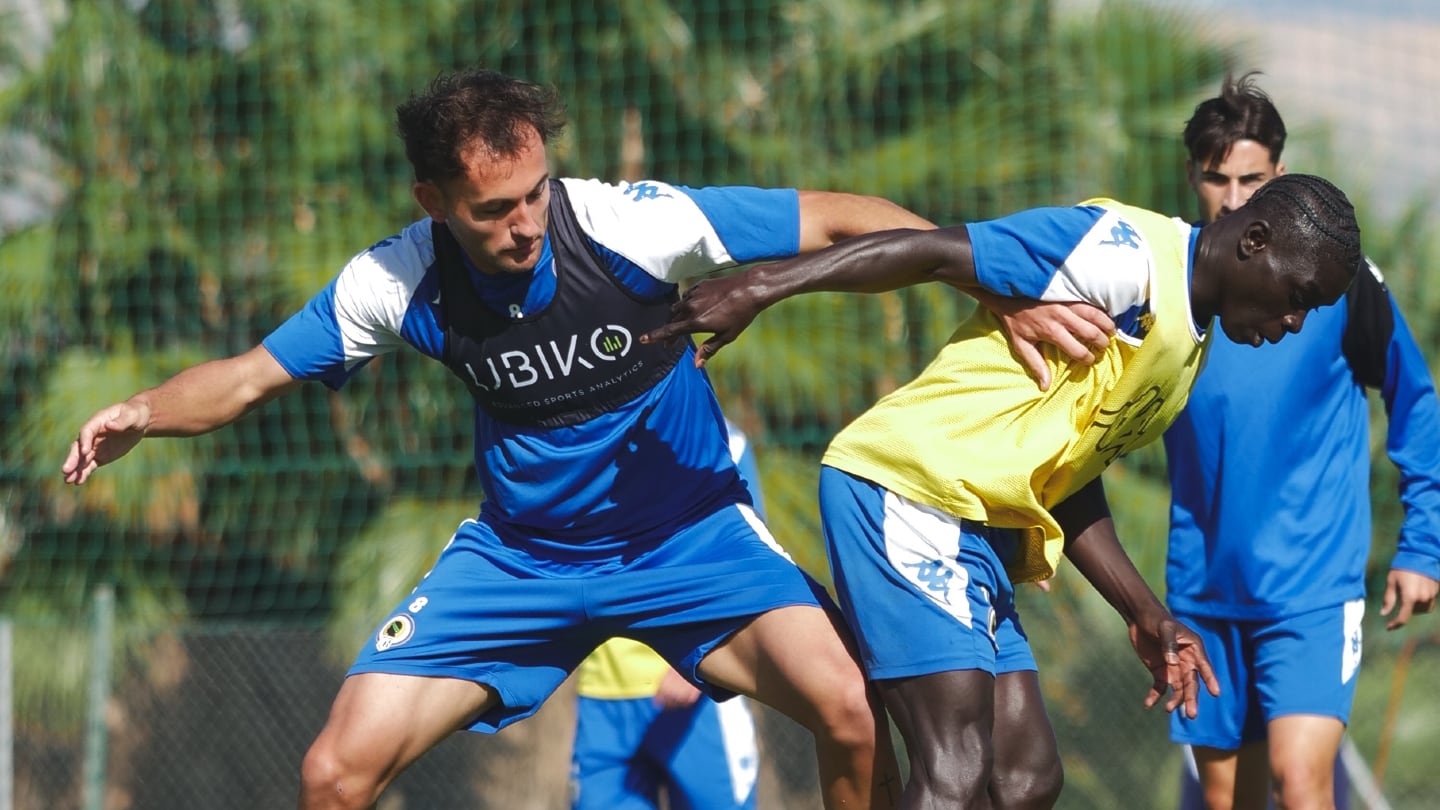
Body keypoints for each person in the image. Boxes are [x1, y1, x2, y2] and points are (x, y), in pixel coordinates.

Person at [55, 67, 1019, 810]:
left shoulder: (625, 224)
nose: (526, 224)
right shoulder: (396, 281)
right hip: (519, 564)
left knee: (851, 706)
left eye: (535, 194)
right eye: (494, 208)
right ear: (434, 200)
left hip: (691, 540)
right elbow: (247, 376)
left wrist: (981, 278)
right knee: (335, 771)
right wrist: (144, 407)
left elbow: (835, 217)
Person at [643, 173, 1365, 809]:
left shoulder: (1186, 349)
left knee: (1024, 780)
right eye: (1298, 296)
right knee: (954, 770)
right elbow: (930, 250)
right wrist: (763, 285)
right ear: (1256, 240)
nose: (1296, 321)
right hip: (908, 487)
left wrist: (1142, 610)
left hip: (975, 528)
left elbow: (1067, 479)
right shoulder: (1123, 252)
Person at [1163, 73, 1440, 810]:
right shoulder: (1169, 284)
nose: (1232, 198)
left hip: (1311, 590)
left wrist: (1423, 545)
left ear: (1278, 176)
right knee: (1228, 802)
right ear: (1193, 177)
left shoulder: (1337, 283)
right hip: (1202, 590)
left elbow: (1415, 400)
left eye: (1250, 178)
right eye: (1216, 179)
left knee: (1303, 780)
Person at [570, 419, 763, 810]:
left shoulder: (722, 439)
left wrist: (702, 656)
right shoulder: (577, 440)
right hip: (602, 699)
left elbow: (752, 562)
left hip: (698, 696)